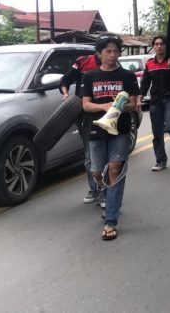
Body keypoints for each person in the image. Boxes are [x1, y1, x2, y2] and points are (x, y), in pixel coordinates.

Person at [80, 34, 139, 241]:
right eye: (108, 51)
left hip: (120, 131)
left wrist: (121, 106)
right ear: (99, 54)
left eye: (116, 51)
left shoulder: (128, 76)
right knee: (98, 173)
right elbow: (85, 105)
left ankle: (110, 221)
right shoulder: (89, 77)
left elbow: (134, 104)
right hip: (96, 130)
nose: (113, 55)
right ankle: (109, 196)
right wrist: (104, 106)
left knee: (114, 170)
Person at [59, 49, 104, 206]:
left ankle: (107, 189)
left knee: (106, 154)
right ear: (98, 50)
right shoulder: (83, 61)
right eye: (104, 50)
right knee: (89, 155)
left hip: (107, 114)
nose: (109, 54)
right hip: (86, 114)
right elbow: (65, 80)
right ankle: (95, 189)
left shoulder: (112, 65)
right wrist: (65, 95)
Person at [138, 35, 170, 171]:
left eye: (162, 44)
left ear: (166, 46)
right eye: (156, 44)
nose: (159, 46)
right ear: (153, 47)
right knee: (157, 133)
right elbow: (145, 83)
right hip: (155, 101)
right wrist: (139, 98)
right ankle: (161, 161)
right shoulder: (149, 64)